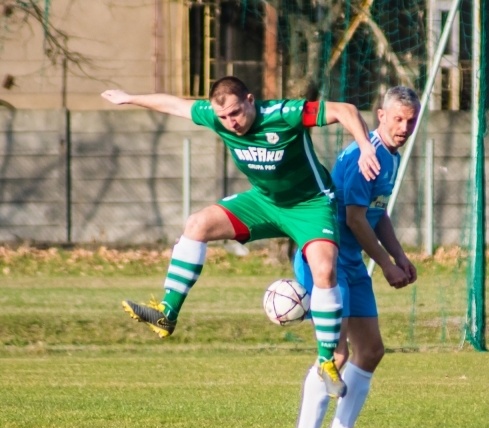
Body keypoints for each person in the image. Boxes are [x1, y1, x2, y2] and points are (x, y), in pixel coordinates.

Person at [101, 76, 380, 404]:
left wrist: (364, 147)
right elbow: (174, 104)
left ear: (250, 100)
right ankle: (167, 313)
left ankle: (326, 362)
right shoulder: (216, 116)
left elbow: (345, 110)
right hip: (263, 202)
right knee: (197, 225)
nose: (231, 122)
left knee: (324, 271)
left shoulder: (283, 113)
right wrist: (129, 97)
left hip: (310, 205)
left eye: (236, 112)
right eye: (223, 117)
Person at [287, 86, 421, 428]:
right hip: (327, 260)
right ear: (380, 116)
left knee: (372, 350)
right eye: (397, 119)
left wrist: (399, 255)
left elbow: (377, 212)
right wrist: (387, 264)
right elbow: (354, 219)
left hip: (353, 263)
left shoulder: (390, 157)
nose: (404, 127)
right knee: (338, 353)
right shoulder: (368, 155)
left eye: (411, 120)